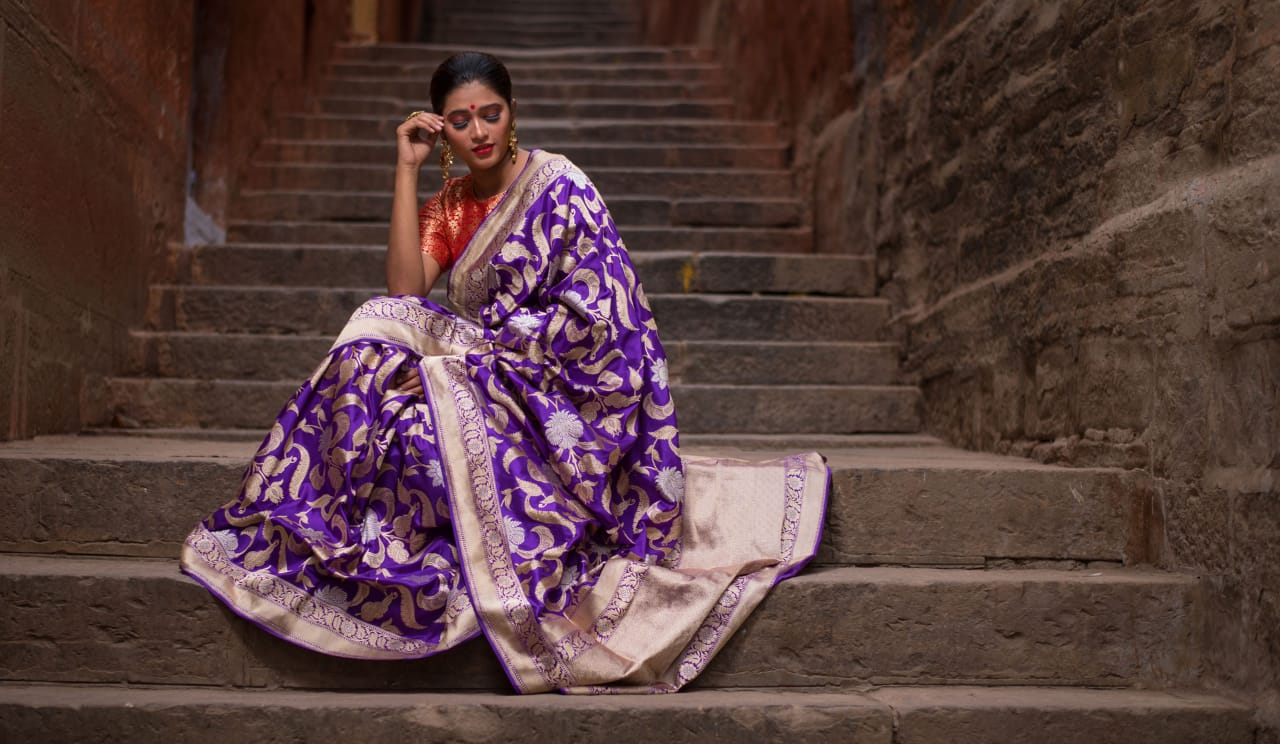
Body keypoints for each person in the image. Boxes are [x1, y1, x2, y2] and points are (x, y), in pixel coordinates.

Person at [180, 51, 829, 694]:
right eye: (461, 121)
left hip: (556, 397)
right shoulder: (450, 207)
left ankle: (487, 540)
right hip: (480, 382)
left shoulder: (560, 187)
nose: (480, 131)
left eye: (490, 114)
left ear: (511, 112)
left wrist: (466, 366)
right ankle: (326, 524)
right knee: (376, 336)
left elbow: (602, 316)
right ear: (440, 128)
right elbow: (406, 292)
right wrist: (406, 170)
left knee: (427, 428)